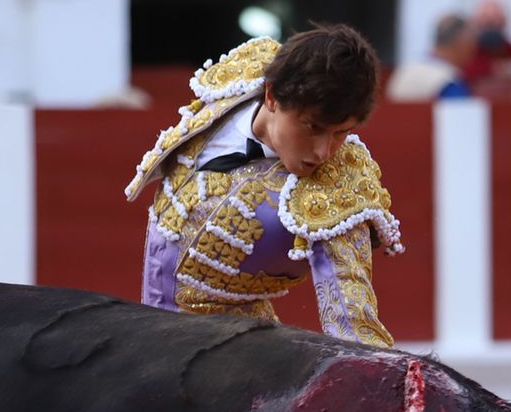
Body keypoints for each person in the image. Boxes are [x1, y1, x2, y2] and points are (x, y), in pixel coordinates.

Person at [123, 25, 400, 345]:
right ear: (270, 96)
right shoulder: (234, 88)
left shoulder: (337, 188)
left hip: (232, 354)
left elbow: (354, 326)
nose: (324, 152)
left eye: (341, 133)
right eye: (313, 127)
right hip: (147, 336)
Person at [384, 12, 474, 103]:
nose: (473, 46)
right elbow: (459, 113)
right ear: (460, 41)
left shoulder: (404, 71)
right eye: (471, 40)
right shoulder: (448, 81)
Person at [461, 0, 511, 83]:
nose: (491, 24)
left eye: (496, 18)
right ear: (474, 23)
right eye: (485, 19)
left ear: (505, 21)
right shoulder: (464, 56)